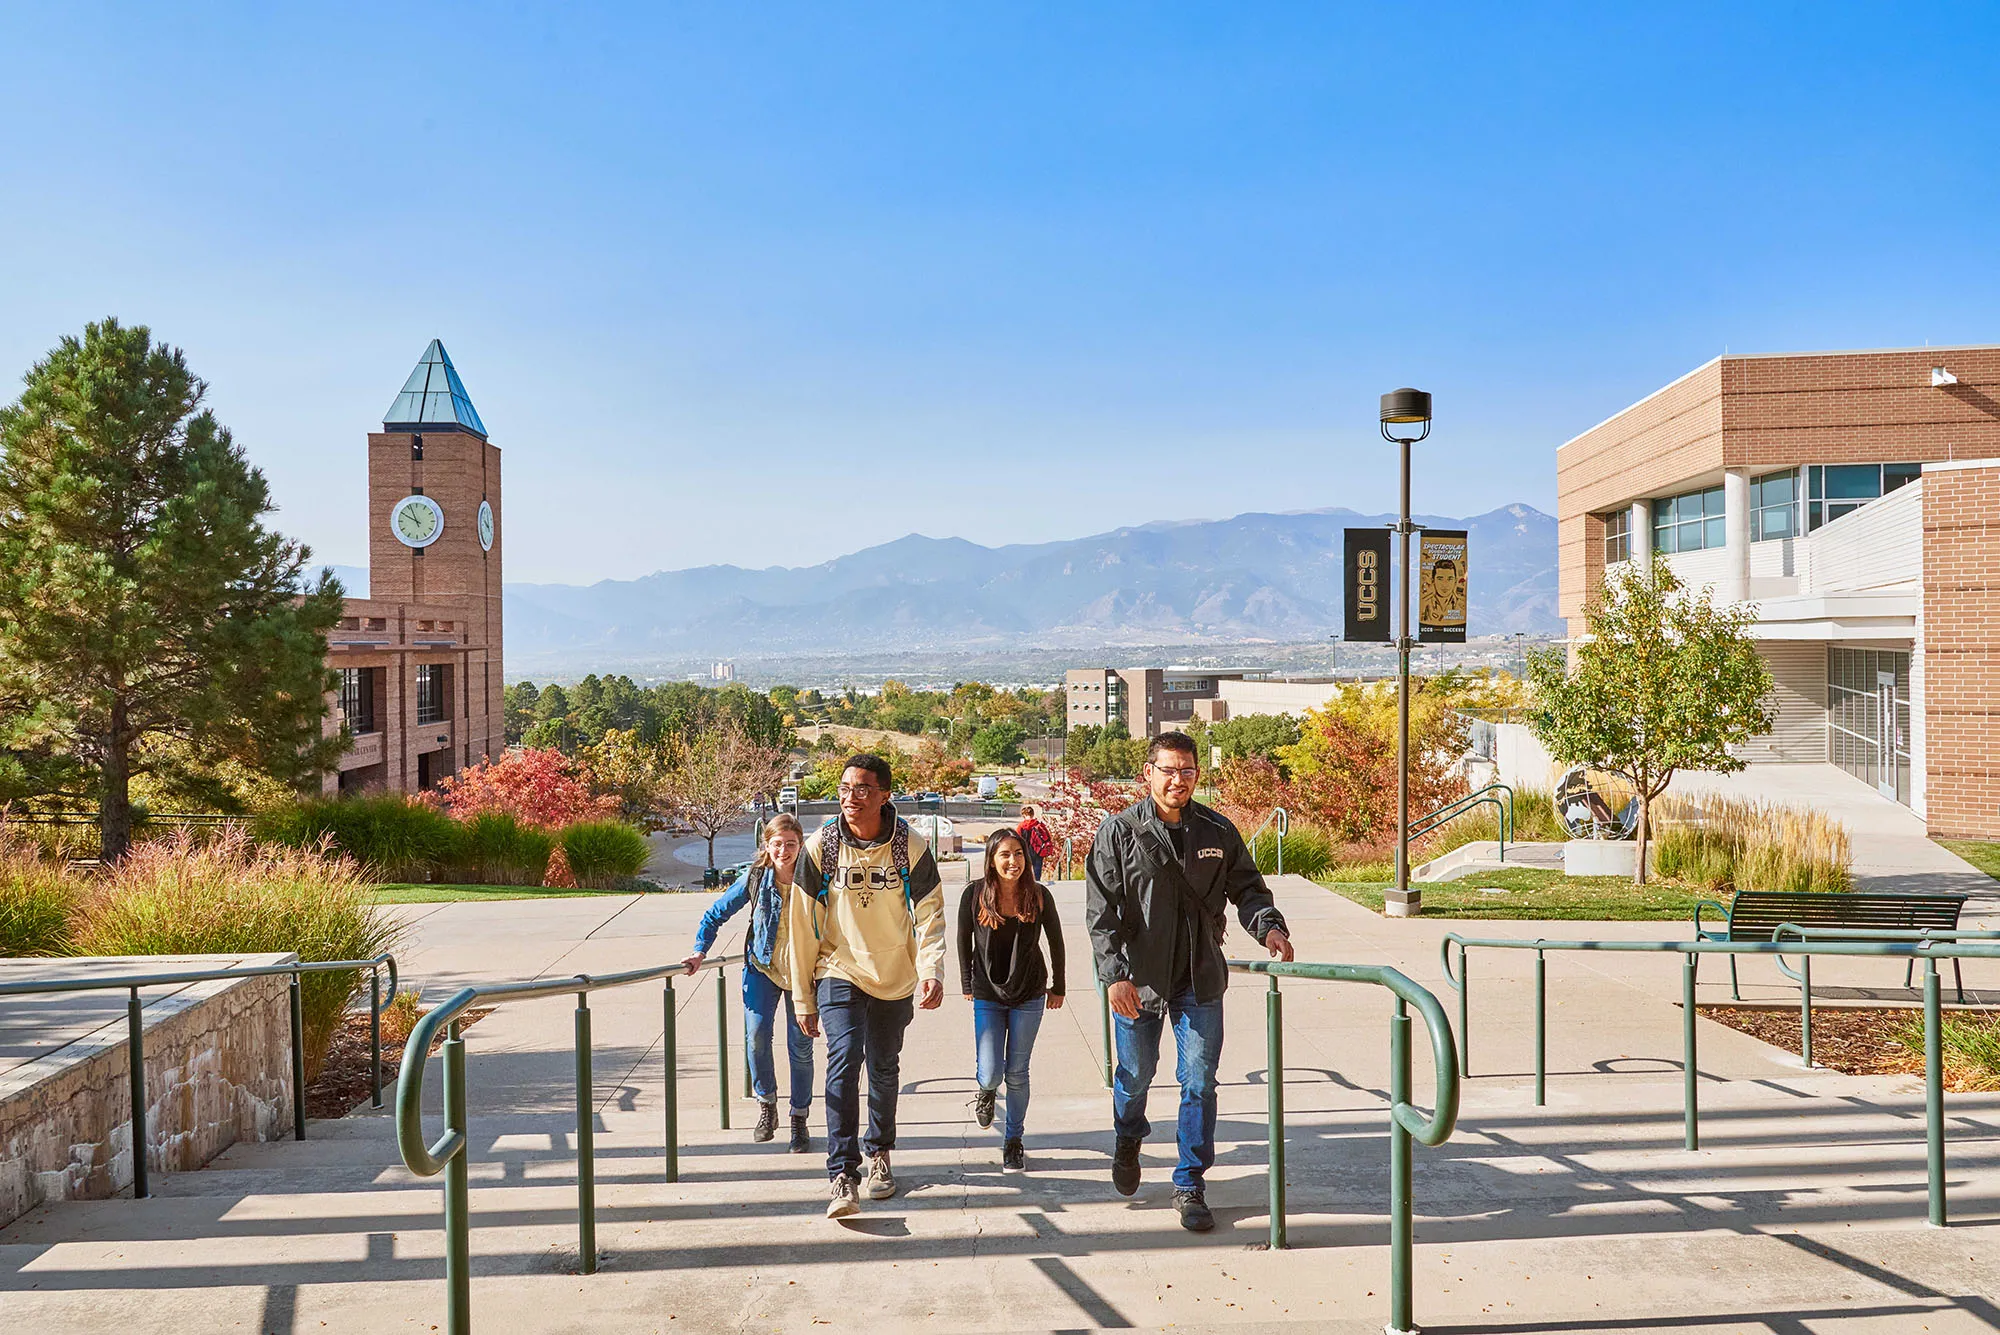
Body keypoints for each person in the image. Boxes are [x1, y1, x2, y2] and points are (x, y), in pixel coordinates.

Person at [1084, 730, 1293, 1233]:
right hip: (1139, 980)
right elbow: (1101, 914)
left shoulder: (1217, 832)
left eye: (1187, 771)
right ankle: (1128, 1134)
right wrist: (1114, 976)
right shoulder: (1117, 833)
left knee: (1198, 1082)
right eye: (1168, 770)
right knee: (1134, 1076)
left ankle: (1190, 1182)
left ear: (1198, 775)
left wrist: (1270, 927)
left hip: (1200, 979)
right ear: (1147, 774)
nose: (1178, 780)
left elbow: (1248, 889)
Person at [789, 753, 947, 1220]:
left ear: (884, 795)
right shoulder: (822, 845)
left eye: (861, 789)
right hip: (838, 968)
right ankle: (842, 1172)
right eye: (844, 788)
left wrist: (932, 970)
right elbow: (802, 925)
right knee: (842, 1061)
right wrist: (803, 996)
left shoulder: (909, 846)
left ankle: (880, 1153)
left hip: (895, 975)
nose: (850, 797)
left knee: (883, 1068)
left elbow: (932, 915)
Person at [682, 813, 814, 1152]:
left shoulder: (815, 878)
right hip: (762, 968)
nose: (784, 851)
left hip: (803, 973)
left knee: (800, 1048)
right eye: (777, 845)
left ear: (800, 845)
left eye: (790, 844)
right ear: (766, 847)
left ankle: (799, 1119)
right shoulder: (756, 877)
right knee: (756, 1037)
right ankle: (767, 1105)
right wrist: (699, 951)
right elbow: (715, 913)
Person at [957, 826, 1065, 1172]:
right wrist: (965, 982)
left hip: (1029, 992)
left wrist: (1058, 986)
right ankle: (986, 1091)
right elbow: (963, 940)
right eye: (1004, 854)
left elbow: (1057, 942)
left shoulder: (1038, 895)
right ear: (991, 859)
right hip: (988, 992)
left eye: (1018, 854)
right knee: (990, 1072)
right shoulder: (974, 895)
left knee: (1017, 1072)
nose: (1013, 861)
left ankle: (1013, 1141)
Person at [1015, 804, 1056, 881]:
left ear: (1024, 815)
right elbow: (1048, 837)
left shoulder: (1021, 826)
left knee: (1026, 869)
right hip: (1038, 850)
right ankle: (1037, 884)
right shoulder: (1038, 824)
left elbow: (1016, 839)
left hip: (1026, 851)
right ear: (1033, 814)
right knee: (1037, 869)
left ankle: (1027, 885)